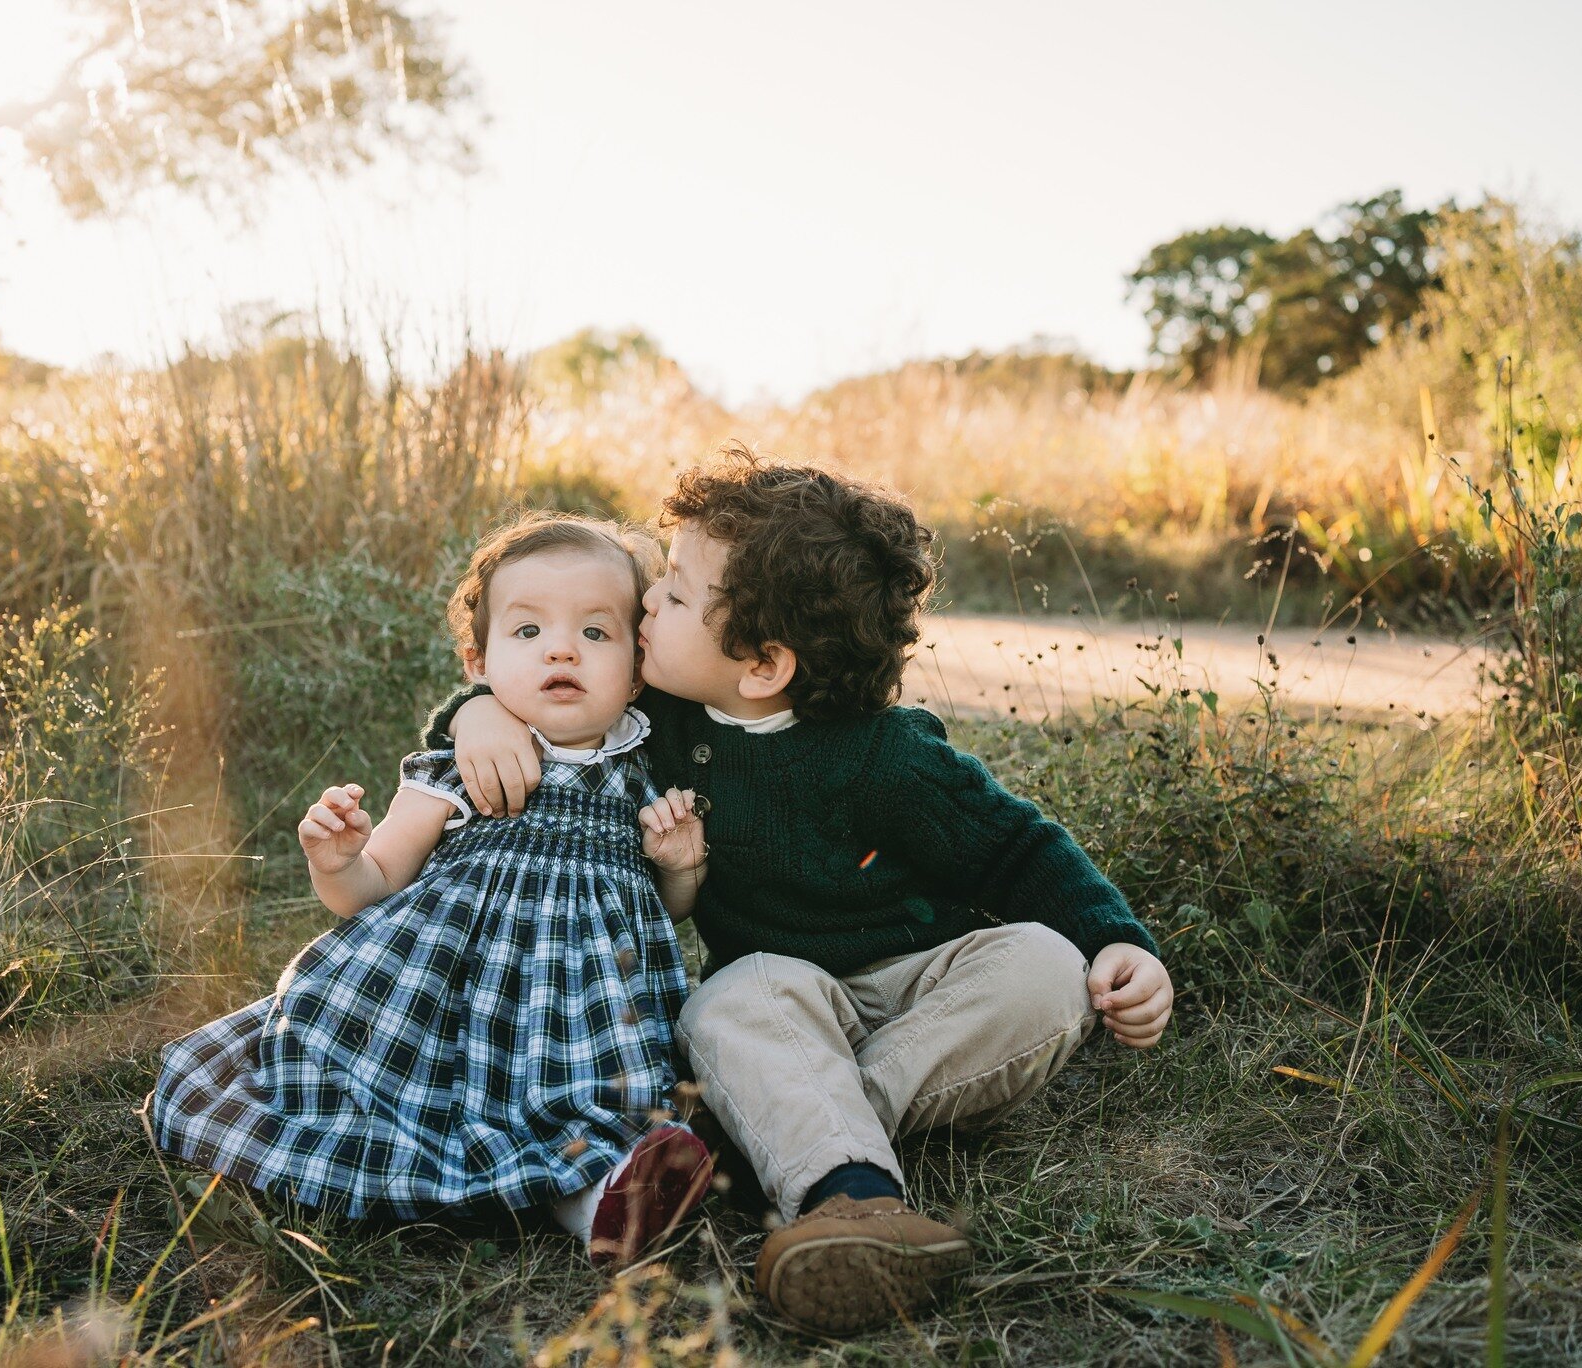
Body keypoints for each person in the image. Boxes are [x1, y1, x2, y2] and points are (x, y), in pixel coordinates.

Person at [428, 447, 1175, 1333]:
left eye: (670, 591)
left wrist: (1120, 939)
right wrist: (472, 712)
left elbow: (1016, 849)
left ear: (761, 666)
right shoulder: (649, 717)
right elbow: (538, 701)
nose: (643, 605)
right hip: (782, 1003)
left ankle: (805, 1138)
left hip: (923, 1000)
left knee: (1046, 966)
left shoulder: (885, 756)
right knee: (728, 1000)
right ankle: (843, 1181)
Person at [150, 513, 714, 1265]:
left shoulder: (641, 776)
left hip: (579, 1017)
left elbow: (657, 917)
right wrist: (337, 860)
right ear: (477, 662)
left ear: (637, 670)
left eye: (596, 633)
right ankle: (539, 1181)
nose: (560, 648)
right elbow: (371, 886)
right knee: (420, 1097)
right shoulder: (458, 768)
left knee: (595, 1103)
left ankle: (600, 1199)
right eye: (527, 632)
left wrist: (680, 866)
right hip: (446, 1007)